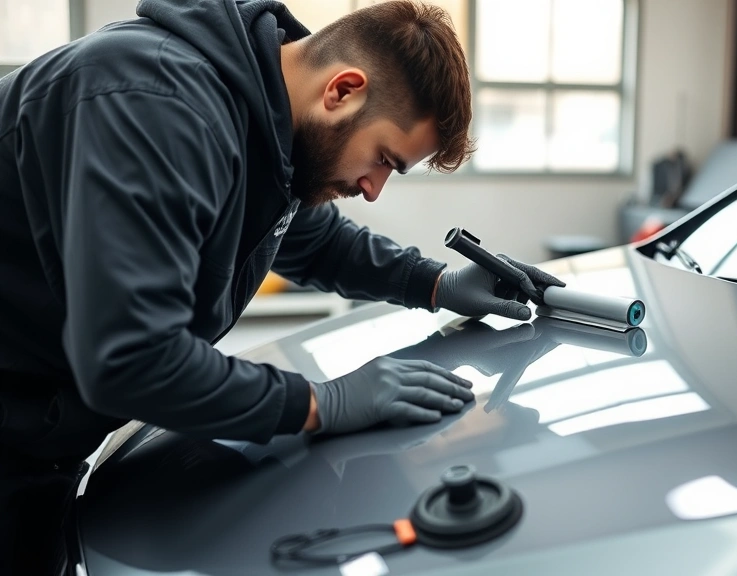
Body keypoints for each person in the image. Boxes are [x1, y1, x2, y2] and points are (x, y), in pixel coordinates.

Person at [0, 0, 564, 573]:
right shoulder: (155, 107)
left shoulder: (264, 126)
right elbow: (132, 358)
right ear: (342, 91)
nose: (374, 189)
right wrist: (323, 402)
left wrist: (439, 283)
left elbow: (314, 240)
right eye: (384, 159)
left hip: (42, 443)